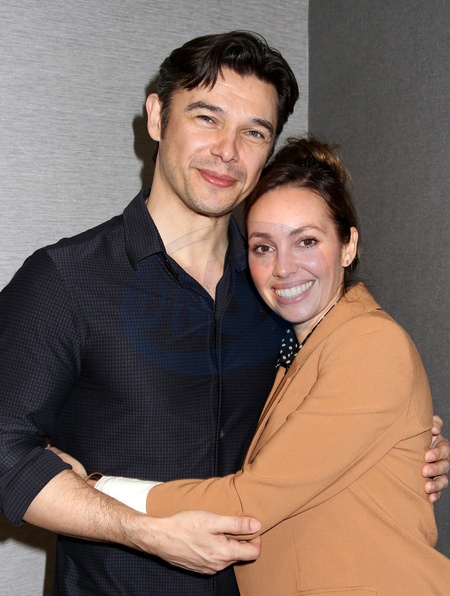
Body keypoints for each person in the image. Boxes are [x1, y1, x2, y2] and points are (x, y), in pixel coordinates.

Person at [0, 30, 447, 595]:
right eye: (207, 118)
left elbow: (320, 414)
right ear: (157, 117)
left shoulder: (280, 292)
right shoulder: (66, 279)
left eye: (253, 132)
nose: (227, 151)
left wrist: (404, 445)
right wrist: (139, 530)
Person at [62, 137, 450, 594]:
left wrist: (94, 488)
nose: (284, 267)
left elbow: (247, 501)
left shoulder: (369, 344)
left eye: (307, 241)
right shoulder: (292, 344)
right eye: (264, 247)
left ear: (348, 245)